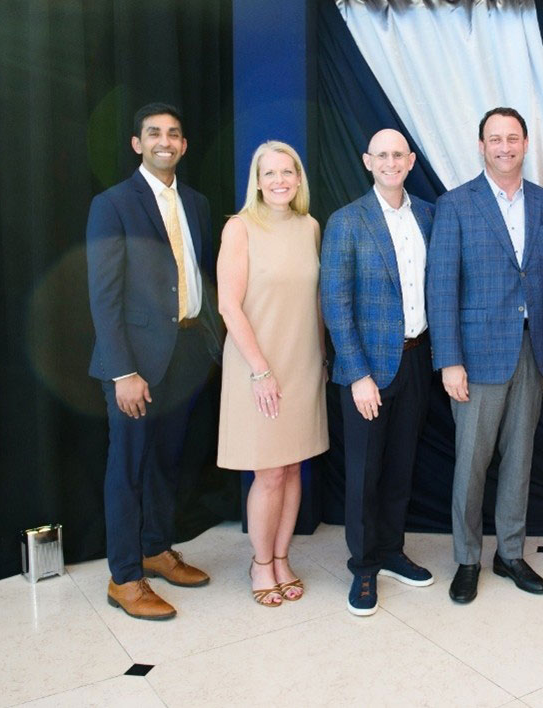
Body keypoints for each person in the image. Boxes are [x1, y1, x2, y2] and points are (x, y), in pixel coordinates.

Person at [427, 107, 543, 605]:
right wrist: (449, 360)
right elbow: (441, 288)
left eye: (513, 138)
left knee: (520, 460)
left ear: (526, 144)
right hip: (476, 356)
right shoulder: (455, 205)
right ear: (481, 145)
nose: (504, 147)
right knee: (470, 463)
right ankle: (468, 558)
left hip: (533, 351)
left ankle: (510, 553)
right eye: (495, 139)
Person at [87, 103, 223, 620]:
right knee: (128, 468)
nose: (164, 141)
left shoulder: (197, 203)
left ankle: (156, 549)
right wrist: (122, 371)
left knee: (167, 463)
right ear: (137, 144)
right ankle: (125, 578)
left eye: (173, 133)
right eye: (154, 133)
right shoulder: (113, 204)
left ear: (183, 145)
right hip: (134, 364)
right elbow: (104, 296)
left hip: (185, 354)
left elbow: (199, 275)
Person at [321, 129, 435, 617]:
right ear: (368, 161)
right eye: (382, 155)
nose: (391, 162)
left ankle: (391, 551)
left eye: (398, 155)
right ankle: (364, 566)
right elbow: (335, 303)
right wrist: (357, 374)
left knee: (401, 466)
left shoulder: (428, 215)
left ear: (411, 161)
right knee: (365, 472)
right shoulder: (346, 221)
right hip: (367, 369)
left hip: (416, 359)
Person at [217, 141, 328, 606]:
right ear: (258, 182)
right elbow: (228, 304)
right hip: (258, 365)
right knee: (269, 474)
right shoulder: (240, 228)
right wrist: (261, 371)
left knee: (293, 465)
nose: (280, 180)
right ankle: (260, 564)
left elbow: (315, 300)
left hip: (304, 363)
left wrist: (322, 357)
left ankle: (282, 558)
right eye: (270, 173)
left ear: (299, 179)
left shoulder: (310, 227)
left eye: (288, 172)